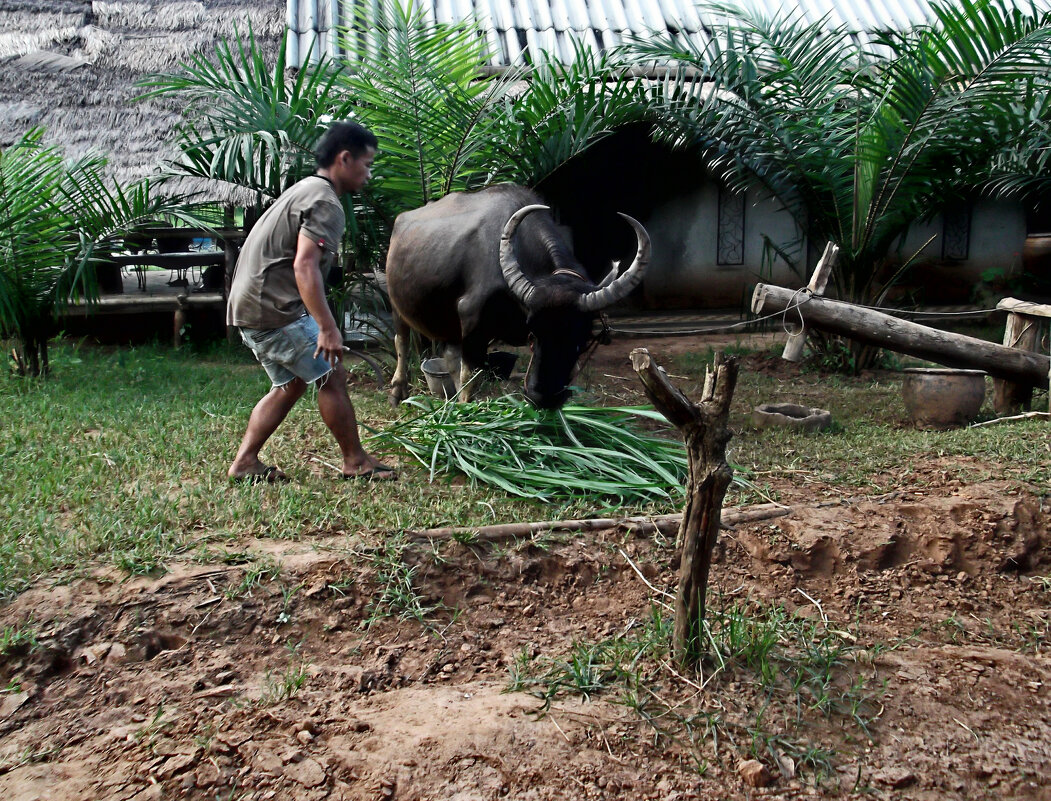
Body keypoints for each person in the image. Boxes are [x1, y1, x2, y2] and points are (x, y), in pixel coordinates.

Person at [226, 121, 395, 483]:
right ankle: (355, 462)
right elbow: (304, 266)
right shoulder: (325, 202)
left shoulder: (305, 189)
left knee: (290, 384)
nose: (368, 174)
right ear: (344, 158)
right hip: (271, 308)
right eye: (366, 164)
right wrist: (328, 327)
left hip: (250, 305)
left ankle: (245, 463)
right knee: (331, 374)